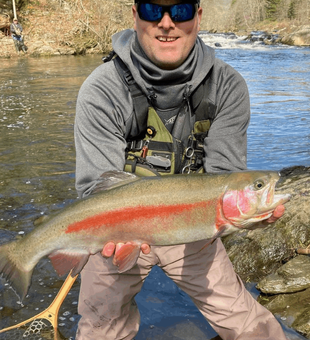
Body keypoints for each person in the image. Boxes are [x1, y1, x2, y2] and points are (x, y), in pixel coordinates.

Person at [74, 0, 288, 339]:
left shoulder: (227, 87)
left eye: (182, 10)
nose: (167, 22)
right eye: (152, 9)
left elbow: (226, 179)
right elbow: (93, 188)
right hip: (118, 228)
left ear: (198, 17)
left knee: (253, 328)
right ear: (135, 15)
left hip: (193, 225)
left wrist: (252, 220)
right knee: (99, 330)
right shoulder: (102, 89)